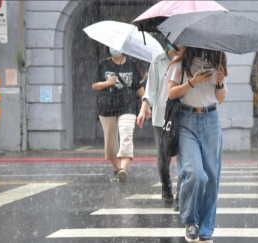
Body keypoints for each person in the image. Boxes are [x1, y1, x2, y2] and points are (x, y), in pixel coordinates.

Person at [166, 46, 227, 242]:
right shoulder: (180, 63)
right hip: (187, 120)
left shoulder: (217, 63)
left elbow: (221, 99)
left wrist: (219, 83)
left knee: (211, 177)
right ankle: (191, 221)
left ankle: (206, 226)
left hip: (211, 120)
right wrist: (192, 82)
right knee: (195, 174)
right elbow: (171, 93)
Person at [137, 45, 184, 208]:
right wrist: (144, 106)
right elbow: (150, 90)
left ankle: (181, 194)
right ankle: (166, 187)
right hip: (162, 118)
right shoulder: (158, 61)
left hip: (183, 115)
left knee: (184, 157)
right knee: (164, 157)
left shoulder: (189, 59)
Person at [92, 46, 144, 182]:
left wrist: (146, 104)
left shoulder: (131, 64)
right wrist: (107, 82)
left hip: (128, 105)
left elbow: (138, 86)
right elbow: (95, 85)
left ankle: (123, 170)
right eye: (112, 46)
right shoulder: (103, 64)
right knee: (110, 143)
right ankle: (116, 168)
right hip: (107, 106)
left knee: (126, 135)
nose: (115, 49)